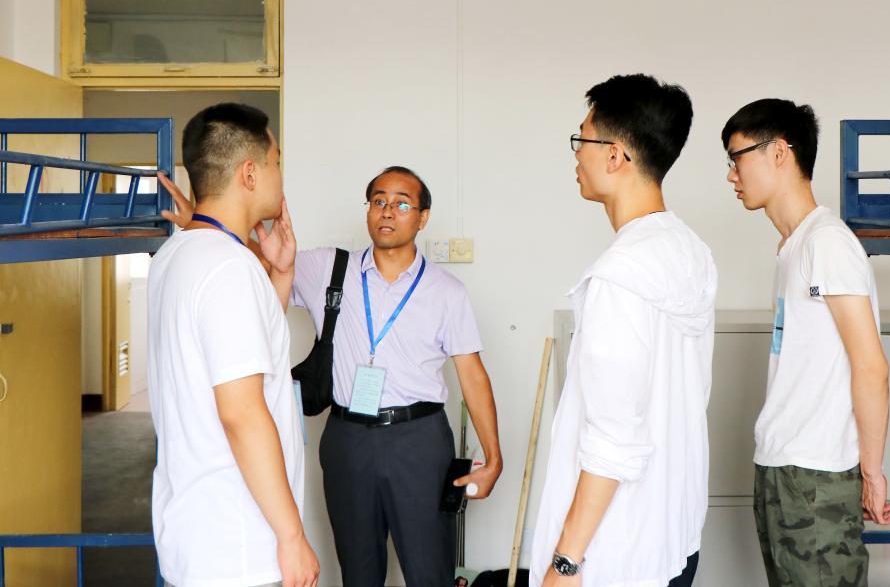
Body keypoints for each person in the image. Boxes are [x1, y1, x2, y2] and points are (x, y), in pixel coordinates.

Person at [160, 165, 502, 587]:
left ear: (423, 217)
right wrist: (202, 224)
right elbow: (264, 259)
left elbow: (473, 377)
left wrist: (493, 457)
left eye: (401, 204)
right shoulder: (329, 268)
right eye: (378, 201)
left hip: (419, 440)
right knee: (358, 571)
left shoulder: (447, 291)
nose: (387, 211)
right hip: (347, 439)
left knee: (430, 570)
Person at [530, 74, 718, 587]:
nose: (576, 154)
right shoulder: (691, 252)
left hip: (614, 555)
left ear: (614, 155)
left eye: (582, 139)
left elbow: (613, 438)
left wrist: (566, 561)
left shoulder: (619, 276)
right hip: (673, 537)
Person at [721, 98, 890, 587]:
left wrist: (872, 473)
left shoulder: (827, 243)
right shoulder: (793, 246)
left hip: (816, 474)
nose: (731, 176)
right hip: (780, 464)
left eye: (737, 159)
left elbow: (871, 367)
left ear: (779, 152)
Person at [148, 103, 318, 587]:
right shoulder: (229, 268)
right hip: (238, 546)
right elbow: (241, 413)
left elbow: (245, 351)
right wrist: (291, 536)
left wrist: (280, 274)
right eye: (276, 161)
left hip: (199, 536)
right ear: (249, 173)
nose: (280, 174)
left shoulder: (174, 255)